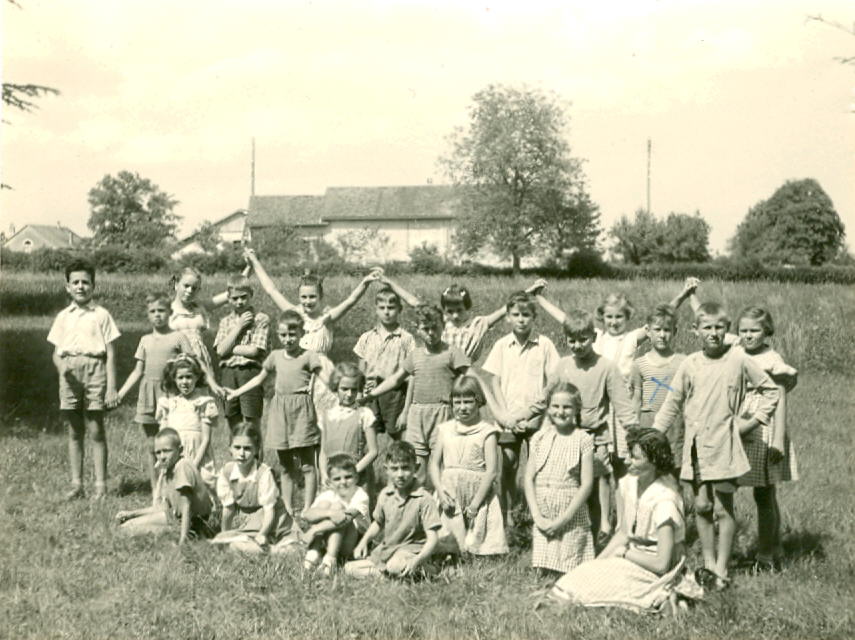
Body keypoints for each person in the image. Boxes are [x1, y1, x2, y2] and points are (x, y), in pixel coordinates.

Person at [653, 302, 779, 589]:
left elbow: (771, 390)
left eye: (719, 327)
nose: (713, 333)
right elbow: (672, 402)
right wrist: (653, 434)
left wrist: (751, 421)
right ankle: (708, 564)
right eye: (707, 327)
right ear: (695, 330)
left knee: (723, 508)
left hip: (725, 447)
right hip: (696, 447)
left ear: (727, 329)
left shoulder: (738, 359)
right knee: (701, 505)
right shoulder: (690, 363)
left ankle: (722, 568)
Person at [515, 310, 639, 545]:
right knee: (567, 491)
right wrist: (521, 415)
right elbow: (545, 398)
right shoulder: (563, 366)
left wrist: (635, 434)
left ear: (593, 336)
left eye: (583, 339)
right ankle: (566, 540)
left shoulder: (606, 367)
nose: (578, 345)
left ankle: (598, 538)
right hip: (565, 438)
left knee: (593, 490)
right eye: (572, 340)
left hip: (595, 438)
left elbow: (623, 406)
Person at [548, 429, 687, 614]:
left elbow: (662, 564)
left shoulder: (665, 500)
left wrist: (625, 554)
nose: (628, 461)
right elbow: (623, 533)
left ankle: (665, 599)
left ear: (654, 462)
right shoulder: (629, 483)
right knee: (575, 579)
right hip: (630, 556)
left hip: (652, 570)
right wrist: (597, 562)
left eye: (636, 458)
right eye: (630, 454)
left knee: (588, 591)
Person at [225, 310, 325, 516]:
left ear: (302, 333)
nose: (288, 339)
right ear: (278, 335)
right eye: (283, 335)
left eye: (292, 334)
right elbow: (258, 379)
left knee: (307, 464)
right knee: (286, 465)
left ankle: (308, 508)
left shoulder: (309, 356)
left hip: (302, 412)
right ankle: (288, 508)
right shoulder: (275, 356)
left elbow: (326, 377)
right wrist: (236, 392)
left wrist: (342, 394)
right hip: (280, 412)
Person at [362, 305, 470, 485]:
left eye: (435, 328)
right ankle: (417, 507)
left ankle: (442, 507)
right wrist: (370, 395)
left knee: (443, 467)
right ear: (418, 329)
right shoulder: (415, 355)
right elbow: (396, 380)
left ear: (443, 327)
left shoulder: (452, 353)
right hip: (416, 415)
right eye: (425, 329)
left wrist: (469, 405)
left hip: (442, 414)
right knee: (416, 468)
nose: (430, 333)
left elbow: (471, 378)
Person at [482, 291, 559, 523]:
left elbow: (553, 380)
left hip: (537, 419)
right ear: (507, 317)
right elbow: (494, 380)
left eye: (526, 314)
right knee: (509, 463)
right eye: (516, 314)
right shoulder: (501, 346)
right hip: (508, 418)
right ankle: (509, 514)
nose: (521, 319)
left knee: (539, 466)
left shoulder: (544, 345)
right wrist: (506, 416)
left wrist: (535, 411)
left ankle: (540, 514)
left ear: (534, 317)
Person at [48, 259, 120, 500]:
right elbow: (56, 354)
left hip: (95, 370)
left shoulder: (101, 315)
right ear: (67, 286)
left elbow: (110, 354)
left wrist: (111, 387)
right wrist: (62, 369)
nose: (80, 286)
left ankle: (101, 485)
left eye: (85, 282)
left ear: (93, 286)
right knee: (74, 431)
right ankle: (77, 484)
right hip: (69, 374)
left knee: (96, 429)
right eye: (75, 282)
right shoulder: (63, 317)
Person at [735, 306, 799, 572]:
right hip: (742, 425)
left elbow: (780, 399)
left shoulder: (772, 359)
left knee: (765, 493)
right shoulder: (735, 350)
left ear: (766, 331)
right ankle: (774, 548)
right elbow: (708, 323)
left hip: (766, 429)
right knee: (757, 491)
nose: (749, 336)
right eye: (744, 331)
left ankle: (766, 554)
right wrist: (691, 298)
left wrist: (776, 440)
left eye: (755, 331)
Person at [115, 292, 194, 492]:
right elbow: (137, 371)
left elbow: (191, 364)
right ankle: (156, 490)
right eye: (153, 311)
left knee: (173, 442)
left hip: (170, 394)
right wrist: (120, 394)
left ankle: (175, 487)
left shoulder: (178, 337)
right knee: (152, 446)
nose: (157, 315)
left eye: (161, 310)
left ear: (169, 313)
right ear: (148, 314)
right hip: (148, 394)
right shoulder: (145, 339)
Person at [428, 376, 507, 556]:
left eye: (468, 402)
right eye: (458, 402)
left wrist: (475, 503)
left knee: (476, 542)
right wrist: (440, 491)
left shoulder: (487, 432)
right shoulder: (445, 429)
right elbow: (434, 464)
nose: (462, 407)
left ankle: (475, 554)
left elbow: (492, 471)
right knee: (447, 540)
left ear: (478, 402)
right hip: (450, 491)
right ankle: (449, 552)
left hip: (476, 491)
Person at [380, 275, 543, 362]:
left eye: (459, 310)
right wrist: (389, 283)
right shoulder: (440, 321)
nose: (455, 315)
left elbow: (506, 307)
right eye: (450, 311)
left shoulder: (478, 324)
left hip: (464, 376)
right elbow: (415, 303)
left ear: (467, 307)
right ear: (444, 310)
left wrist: (530, 291)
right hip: (439, 370)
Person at [524, 382, 594, 574]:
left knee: (570, 569)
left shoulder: (583, 439)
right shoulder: (539, 437)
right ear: (547, 408)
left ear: (577, 409)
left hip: (569, 510)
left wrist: (564, 519)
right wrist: (537, 516)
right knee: (543, 569)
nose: (560, 412)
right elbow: (529, 478)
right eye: (555, 406)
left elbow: (587, 484)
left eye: (567, 407)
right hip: (543, 508)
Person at [345, 441, 442, 578]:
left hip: (412, 552)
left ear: (416, 467)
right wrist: (363, 543)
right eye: (395, 469)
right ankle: (389, 576)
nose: (400, 474)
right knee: (349, 568)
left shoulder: (424, 498)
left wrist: (417, 560)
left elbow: (433, 539)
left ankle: (428, 570)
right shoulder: (385, 495)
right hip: (388, 550)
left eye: (405, 468)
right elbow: (378, 523)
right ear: (386, 470)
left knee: (394, 566)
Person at [115, 428, 214, 544]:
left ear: (180, 450)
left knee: (130, 531)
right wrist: (131, 514)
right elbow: (163, 508)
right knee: (126, 525)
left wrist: (182, 543)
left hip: (195, 524)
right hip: (175, 518)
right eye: (158, 452)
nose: (162, 456)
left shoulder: (182, 467)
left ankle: (185, 537)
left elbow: (186, 507)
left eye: (167, 451)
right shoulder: (167, 470)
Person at [210, 423, 293, 553]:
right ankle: (256, 548)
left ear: (256, 450)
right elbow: (229, 508)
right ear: (230, 449)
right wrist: (224, 535)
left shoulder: (263, 473)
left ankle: (273, 549)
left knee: (290, 547)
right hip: (252, 523)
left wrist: (263, 534)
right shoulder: (227, 472)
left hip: (275, 521)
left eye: (247, 449)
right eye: (237, 447)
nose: (242, 453)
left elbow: (269, 510)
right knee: (220, 544)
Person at [628, 305, 687, 473]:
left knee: (673, 468)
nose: (662, 335)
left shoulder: (684, 362)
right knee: (650, 469)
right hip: (649, 421)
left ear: (675, 331)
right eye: (658, 329)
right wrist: (634, 430)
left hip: (675, 423)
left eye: (667, 330)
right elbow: (636, 400)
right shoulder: (639, 364)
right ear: (648, 331)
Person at [353, 285, 416, 440]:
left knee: (401, 437)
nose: (386, 312)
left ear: (400, 309)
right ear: (376, 309)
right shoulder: (366, 337)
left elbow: (412, 375)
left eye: (391, 307)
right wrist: (359, 396)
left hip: (395, 394)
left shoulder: (406, 339)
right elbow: (360, 372)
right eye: (382, 307)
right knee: (364, 439)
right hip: (370, 393)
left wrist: (406, 411)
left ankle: (402, 463)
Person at [214, 275, 271, 431]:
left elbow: (253, 351)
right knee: (233, 422)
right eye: (235, 298)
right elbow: (219, 351)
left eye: (244, 297)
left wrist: (228, 348)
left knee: (252, 424)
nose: (239, 302)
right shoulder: (225, 321)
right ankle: (237, 455)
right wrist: (238, 327)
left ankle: (256, 456)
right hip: (228, 373)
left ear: (251, 294)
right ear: (229, 299)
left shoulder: (260, 319)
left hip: (250, 372)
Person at [156, 353, 218, 490]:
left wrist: (193, 466)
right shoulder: (170, 404)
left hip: (197, 455)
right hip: (174, 455)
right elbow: (163, 437)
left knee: (201, 490)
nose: (185, 382)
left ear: (196, 377)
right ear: (174, 379)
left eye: (189, 377)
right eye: (180, 377)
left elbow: (206, 439)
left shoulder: (203, 403)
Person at [301, 454, 371, 575]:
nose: (343, 482)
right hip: (330, 539)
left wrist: (314, 530)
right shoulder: (329, 494)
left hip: (356, 542)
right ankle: (314, 552)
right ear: (330, 482)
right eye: (337, 479)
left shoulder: (360, 495)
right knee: (324, 505)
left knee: (339, 508)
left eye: (348, 477)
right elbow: (307, 515)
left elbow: (345, 518)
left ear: (356, 478)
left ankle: (330, 560)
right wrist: (329, 513)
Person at [167, 266, 229, 398]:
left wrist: (250, 265)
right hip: (179, 364)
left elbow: (231, 292)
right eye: (186, 286)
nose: (190, 291)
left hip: (201, 362)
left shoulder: (200, 307)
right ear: (176, 284)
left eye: (194, 288)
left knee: (202, 404)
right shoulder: (167, 311)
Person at [318, 362, 379, 494]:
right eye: (344, 389)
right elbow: (323, 451)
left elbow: (373, 451)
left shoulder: (364, 414)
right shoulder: (327, 414)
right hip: (332, 475)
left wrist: (353, 473)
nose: (349, 394)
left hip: (357, 476)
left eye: (354, 389)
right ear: (336, 387)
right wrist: (323, 474)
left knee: (355, 511)